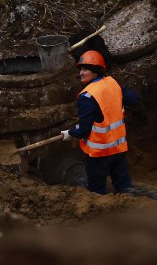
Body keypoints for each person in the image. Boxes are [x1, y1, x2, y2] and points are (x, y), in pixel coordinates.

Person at [60, 50, 140, 194]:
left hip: (99, 153)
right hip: (118, 149)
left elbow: (84, 129)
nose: (81, 73)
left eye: (85, 69)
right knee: (124, 187)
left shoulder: (87, 96)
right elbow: (133, 98)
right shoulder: (112, 83)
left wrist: (71, 133)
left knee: (97, 192)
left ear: (95, 71)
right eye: (80, 69)